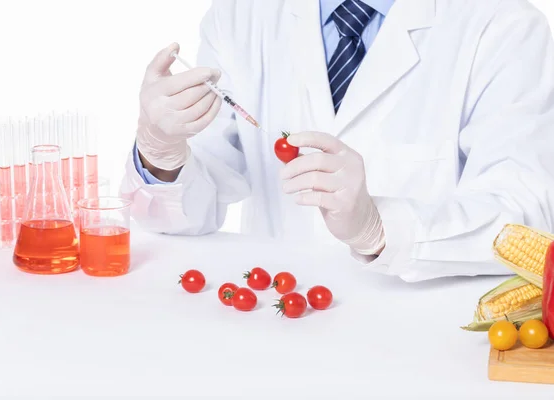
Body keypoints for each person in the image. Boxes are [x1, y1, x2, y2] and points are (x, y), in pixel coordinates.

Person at [120, 0, 554, 282]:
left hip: (424, 340)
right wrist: (161, 150)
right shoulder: (240, 15)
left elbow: (526, 214)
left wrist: (380, 228)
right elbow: (193, 207)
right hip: (277, 313)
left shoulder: (503, 25)